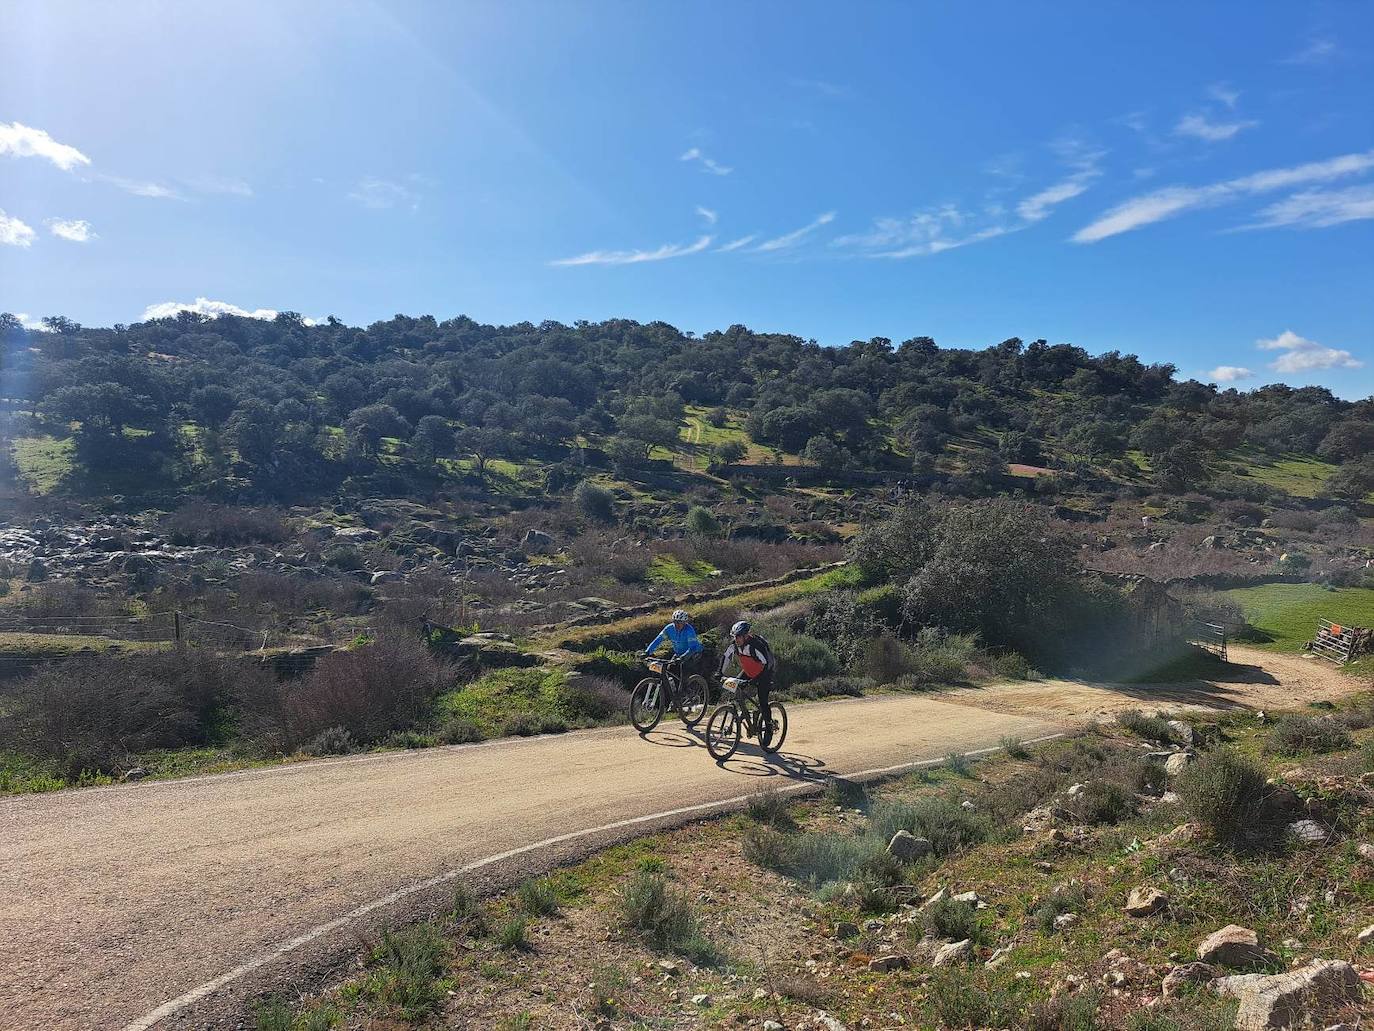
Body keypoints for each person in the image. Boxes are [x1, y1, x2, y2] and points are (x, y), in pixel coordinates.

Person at [719, 620, 777, 735]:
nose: (736, 639)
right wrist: (719, 673)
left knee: (762, 700)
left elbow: (767, 664)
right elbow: (726, 657)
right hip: (748, 672)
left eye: (738, 637)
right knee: (732, 687)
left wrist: (756, 679)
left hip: (764, 673)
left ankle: (769, 728)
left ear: (746, 636)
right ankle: (744, 713)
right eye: (734, 637)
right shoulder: (734, 645)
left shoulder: (755, 646)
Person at [644, 609, 703, 685]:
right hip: (678, 653)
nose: (677, 625)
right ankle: (673, 691)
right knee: (670, 670)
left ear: (684, 623)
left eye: (679, 622)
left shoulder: (689, 630)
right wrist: (647, 651)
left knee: (684, 668)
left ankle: (684, 691)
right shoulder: (669, 628)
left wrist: (683, 657)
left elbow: (692, 648)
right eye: (675, 622)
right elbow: (658, 640)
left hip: (693, 653)